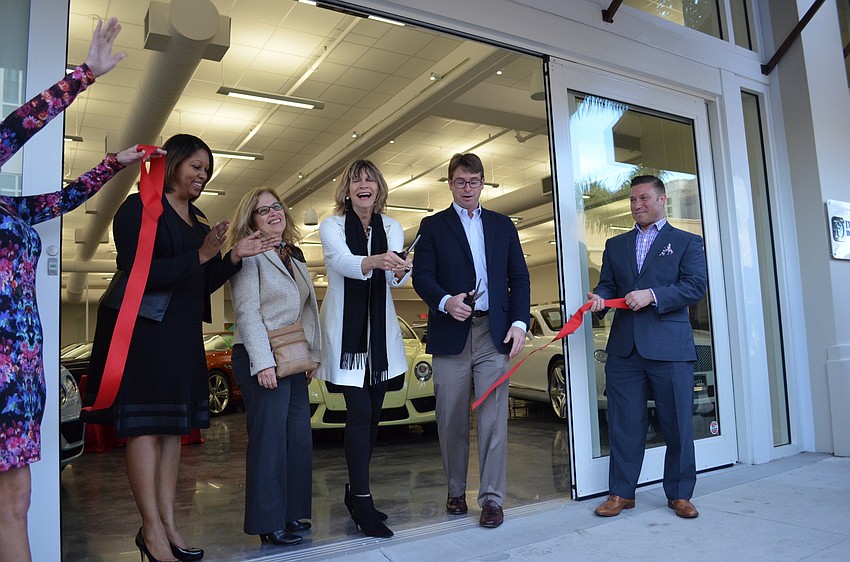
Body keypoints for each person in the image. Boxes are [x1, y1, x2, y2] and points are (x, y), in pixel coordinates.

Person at [83, 134, 278, 562]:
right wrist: (204, 254)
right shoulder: (138, 209)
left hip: (181, 331)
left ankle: (168, 523)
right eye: (196, 166)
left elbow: (201, 283)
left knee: (173, 433)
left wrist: (231, 258)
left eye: (207, 169)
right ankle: (151, 532)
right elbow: (137, 273)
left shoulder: (201, 221)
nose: (203, 175)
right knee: (145, 429)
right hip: (143, 332)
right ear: (172, 165)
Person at [0, 17, 134, 562]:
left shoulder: (8, 209)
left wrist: (111, 166)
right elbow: (15, 127)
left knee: (17, 500)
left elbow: (61, 200)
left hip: (19, 376)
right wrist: (83, 76)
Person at [412, 152, 530, 529]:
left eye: (474, 182)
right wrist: (446, 302)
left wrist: (518, 322)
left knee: (494, 419)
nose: (467, 188)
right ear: (449, 183)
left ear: (483, 184)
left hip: (493, 334)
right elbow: (422, 276)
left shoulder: (501, 225)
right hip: (451, 334)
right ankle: (455, 489)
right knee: (450, 419)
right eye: (460, 181)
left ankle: (492, 498)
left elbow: (520, 277)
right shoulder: (433, 226)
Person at [587, 174, 707, 519]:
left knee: (677, 425)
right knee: (624, 424)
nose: (636, 205)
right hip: (625, 350)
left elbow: (695, 287)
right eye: (632, 200)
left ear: (662, 200)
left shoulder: (687, 242)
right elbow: (608, 285)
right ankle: (622, 493)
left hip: (670, 348)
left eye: (643, 198)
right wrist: (600, 298)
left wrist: (653, 295)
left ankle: (680, 494)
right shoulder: (616, 245)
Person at [315, 160, 411, 539]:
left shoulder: (392, 227)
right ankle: (364, 502)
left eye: (370, 180)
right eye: (356, 180)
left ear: (379, 188)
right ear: (347, 189)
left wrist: (402, 270)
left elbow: (392, 280)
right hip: (346, 337)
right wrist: (376, 261)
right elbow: (340, 263)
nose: (363, 185)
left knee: (373, 418)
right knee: (358, 414)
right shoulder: (332, 225)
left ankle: (354, 494)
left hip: (379, 339)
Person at [227, 188, 321, 547]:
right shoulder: (250, 254)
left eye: (276, 207)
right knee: (269, 442)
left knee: (297, 438)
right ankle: (268, 522)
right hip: (261, 356)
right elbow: (247, 312)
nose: (272, 213)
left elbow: (307, 309)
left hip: (293, 356)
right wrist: (262, 362)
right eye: (262, 210)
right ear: (251, 220)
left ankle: (291, 512)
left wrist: (311, 355)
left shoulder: (292, 255)